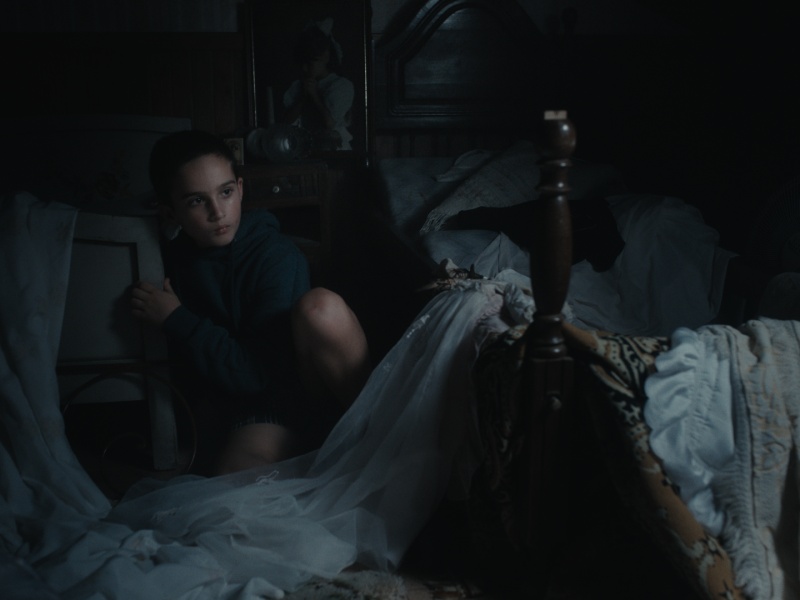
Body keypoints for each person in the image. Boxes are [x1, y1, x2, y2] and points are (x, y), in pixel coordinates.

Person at [130, 130, 370, 475]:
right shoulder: (174, 259)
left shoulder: (275, 256)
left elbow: (258, 376)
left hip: (287, 399)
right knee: (232, 488)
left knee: (321, 307)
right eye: (196, 201)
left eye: (226, 192)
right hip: (237, 406)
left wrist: (175, 318)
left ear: (240, 189)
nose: (217, 212)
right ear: (170, 212)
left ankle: (373, 434)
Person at [281, 18, 354, 151]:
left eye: (310, 63)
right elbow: (287, 122)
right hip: (307, 148)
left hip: (335, 150)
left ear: (325, 57)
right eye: (303, 63)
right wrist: (303, 97)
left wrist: (314, 95)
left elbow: (329, 124)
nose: (305, 68)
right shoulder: (298, 86)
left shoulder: (340, 86)